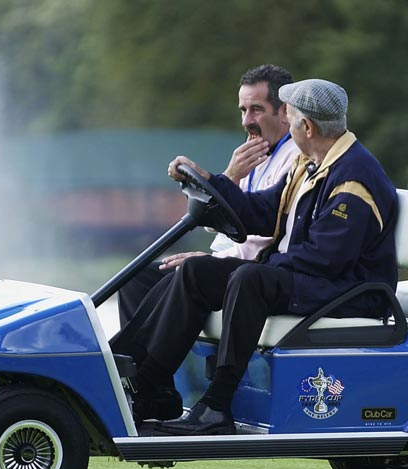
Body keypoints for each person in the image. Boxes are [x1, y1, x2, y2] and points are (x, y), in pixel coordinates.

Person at [126, 79, 398, 435]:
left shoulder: (354, 178)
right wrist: (213, 180)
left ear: (307, 127)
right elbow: (263, 211)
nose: (286, 119)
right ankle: (149, 386)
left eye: (289, 114)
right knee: (197, 270)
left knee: (250, 279)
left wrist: (255, 265)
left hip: (351, 291)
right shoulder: (310, 162)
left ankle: (217, 405)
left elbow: (327, 258)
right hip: (316, 276)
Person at [116, 65, 299, 331]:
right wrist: (232, 175)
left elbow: (268, 235)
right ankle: (135, 366)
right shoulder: (254, 152)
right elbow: (217, 222)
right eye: (243, 110)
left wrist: (212, 260)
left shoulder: (295, 158)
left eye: (256, 110)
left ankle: (149, 369)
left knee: (181, 278)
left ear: (284, 112)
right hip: (228, 262)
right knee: (135, 279)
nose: (246, 121)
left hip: (253, 270)